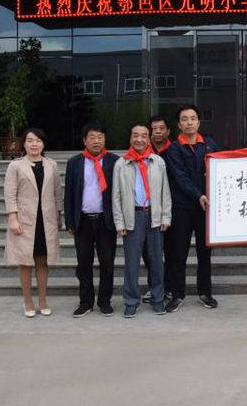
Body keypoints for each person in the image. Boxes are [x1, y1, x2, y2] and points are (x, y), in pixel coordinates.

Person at [112, 123, 172, 317]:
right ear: (130, 138)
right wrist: (119, 223)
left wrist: (165, 216)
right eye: (135, 135)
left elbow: (165, 192)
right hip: (133, 216)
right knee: (131, 262)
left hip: (154, 215)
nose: (139, 139)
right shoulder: (121, 163)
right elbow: (116, 196)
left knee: (156, 261)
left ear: (149, 139)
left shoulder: (157, 162)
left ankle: (157, 298)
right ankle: (131, 301)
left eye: (143, 136)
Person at [164, 105, 220, 311]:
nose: (189, 122)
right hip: (182, 208)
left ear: (198, 122)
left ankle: (205, 292)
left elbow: (221, 171)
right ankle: (177, 294)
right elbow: (180, 178)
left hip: (206, 209)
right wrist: (198, 195)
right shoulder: (173, 149)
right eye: (185, 119)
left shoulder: (210, 145)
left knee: (205, 253)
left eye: (193, 118)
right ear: (179, 125)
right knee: (178, 254)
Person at [3, 128, 62, 317]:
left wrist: (59, 215)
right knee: (25, 262)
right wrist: (12, 217)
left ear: (43, 143)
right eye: (30, 140)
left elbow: (57, 192)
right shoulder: (16, 166)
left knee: (42, 261)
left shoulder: (51, 165)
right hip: (24, 220)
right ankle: (27, 301)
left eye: (38, 140)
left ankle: (43, 300)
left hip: (46, 220)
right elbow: (10, 193)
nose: (34, 144)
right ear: (24, 144)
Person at [64, 123, 120, 318]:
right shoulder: (74, 163)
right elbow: (69, 193)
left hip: (106, 220)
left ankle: (104, 301)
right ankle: (85, 302)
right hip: (83, 221)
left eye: (100, 137)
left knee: (107, 263)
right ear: (84, 141)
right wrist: (70, 221)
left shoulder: (115, 161)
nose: (97, 141)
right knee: (83, 264)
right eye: (92, 137)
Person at [141, 114, 173, 304]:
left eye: (162, 128)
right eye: (154, 129)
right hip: (148, 209)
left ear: (168, 131)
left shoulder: (175, 150)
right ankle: (154, 286)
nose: (158, 132)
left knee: (170, 251)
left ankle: (168, 287)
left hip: (171, 207)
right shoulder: (143, 153)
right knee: (149, 252)